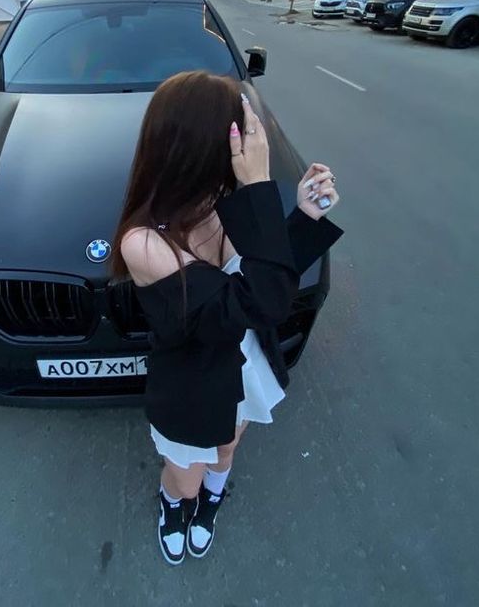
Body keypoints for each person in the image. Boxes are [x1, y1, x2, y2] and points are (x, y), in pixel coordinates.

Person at [110, 70, 345, 565]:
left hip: (241, 363)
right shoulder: (144, 243)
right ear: (205, 148)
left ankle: (211, 501)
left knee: (227, 449)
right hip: (193, 382)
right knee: (186, 470)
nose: (247, 149)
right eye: (240, 135)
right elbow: (255, 301)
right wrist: (259, 187)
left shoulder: (221, 204)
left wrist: (302, 217)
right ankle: (176, 506)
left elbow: (265, 278)